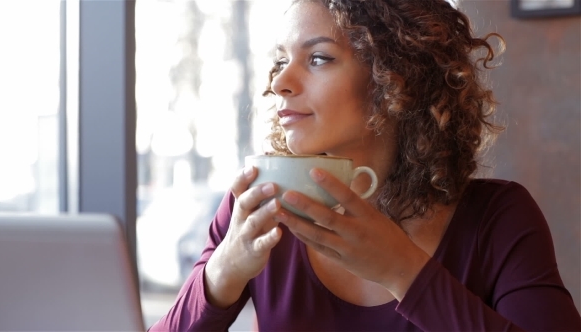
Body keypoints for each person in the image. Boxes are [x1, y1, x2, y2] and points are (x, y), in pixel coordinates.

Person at [150, 0, 581, 331]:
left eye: (318, 58)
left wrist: (403, 272)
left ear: (396, 77)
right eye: (282, 60)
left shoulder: (499, 219)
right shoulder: (255, 212)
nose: (279, 82)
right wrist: (222, 272)